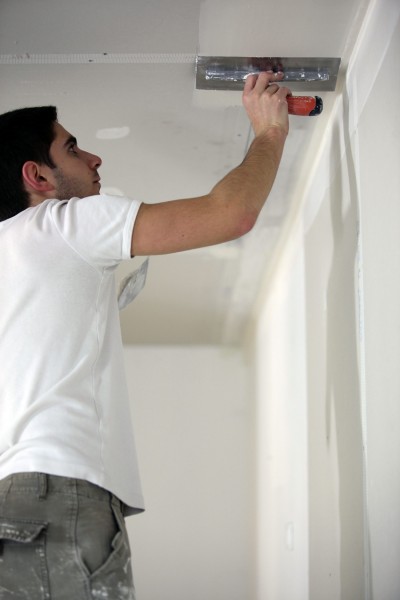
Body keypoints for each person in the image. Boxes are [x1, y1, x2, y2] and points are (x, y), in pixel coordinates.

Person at [0, 71, 291, 599]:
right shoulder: (62, 224)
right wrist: (270, 132)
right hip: (56, 492)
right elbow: (232, 214)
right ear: (37, 176)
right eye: (72, 149)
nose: (95, 159)